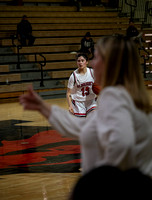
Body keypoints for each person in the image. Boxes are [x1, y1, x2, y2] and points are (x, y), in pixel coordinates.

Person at [19, 34, 152, 197]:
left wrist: (89, 184)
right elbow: (85, 127)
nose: (93, 63)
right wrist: (45, 108)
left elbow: (122, 146)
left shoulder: (115, 98)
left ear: (111, 64)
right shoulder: (124, 95)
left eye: (97, 58)